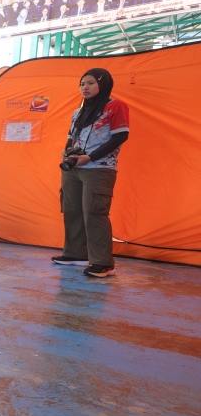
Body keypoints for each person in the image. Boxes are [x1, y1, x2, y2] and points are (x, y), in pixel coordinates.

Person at [53, 68, 129, 278]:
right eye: (81, 84)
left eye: (90, 83)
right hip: (73, 167)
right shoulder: (78, 112)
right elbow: (71, 137)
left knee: (95, 213)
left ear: (102, 84)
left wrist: (90, 157)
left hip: (98, 168)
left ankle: (103, 263)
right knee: (72, 210)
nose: (84, 88)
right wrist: (67, 150)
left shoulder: (116, 106)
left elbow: (120, 137)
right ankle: (76, 254)